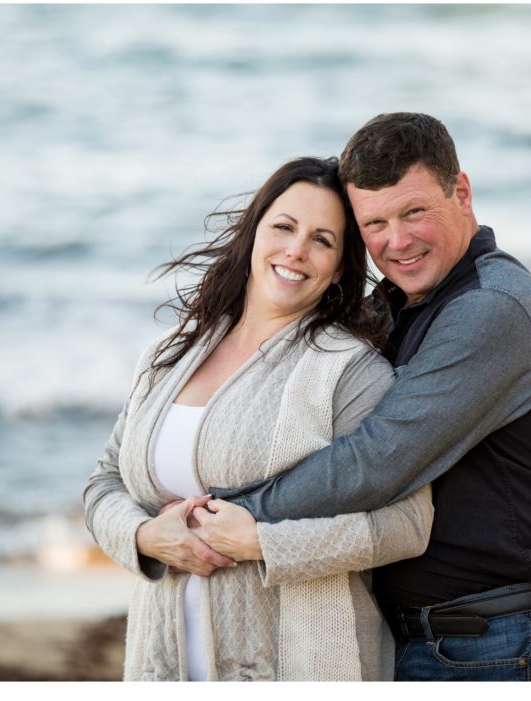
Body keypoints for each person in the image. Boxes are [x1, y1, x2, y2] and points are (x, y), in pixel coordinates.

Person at [211, 113, 531, 682]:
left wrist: (234, 513)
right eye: (374, 223)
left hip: (497, 638)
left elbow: (377, 459)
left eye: (414, 212)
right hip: (436, 635)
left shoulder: (491, 309)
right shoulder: (397, 305)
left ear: (461, 192)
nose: (397, 241)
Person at [83, 156, 433, 681]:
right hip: (163, 665)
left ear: (339, 267)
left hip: (310, 663)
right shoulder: (171, 353)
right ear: (253, 234)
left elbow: (408, 526)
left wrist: (263, 544)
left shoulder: (349, 371)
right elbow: (104, 482)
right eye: (284, 227)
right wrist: (143, 538)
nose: (296, 250)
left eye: (323, 240)